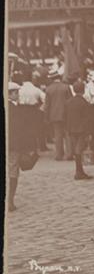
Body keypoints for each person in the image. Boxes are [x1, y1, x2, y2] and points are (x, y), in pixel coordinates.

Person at [8, 81, 39, 211]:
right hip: (14, 145)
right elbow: (21, 129)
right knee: (13, 173)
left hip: (13, 145)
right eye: (16, 93)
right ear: (10, 94)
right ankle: (9, 200)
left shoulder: (16, 107)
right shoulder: (15, 109)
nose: (18, 95)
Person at [65, 81, 94, 180]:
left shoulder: (68, 102)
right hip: (82, 129)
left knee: (76, 149)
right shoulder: (84, 103)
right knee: (79, 149)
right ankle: (79, 172)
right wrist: (89, 132)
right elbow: (87, 119)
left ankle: (79, 171)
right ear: (83, 90)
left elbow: (66, 116)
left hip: (71, 128)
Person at [44, 67, 72, 161]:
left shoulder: (48, 89)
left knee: (57, 135)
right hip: (66, 114)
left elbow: (47, 105)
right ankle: (69, 154)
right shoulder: (66, 87)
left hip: (54, 115)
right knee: (67, 134)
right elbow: (70, 101)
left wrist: (46, 117)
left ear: (51, 78)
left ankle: (59, 155)